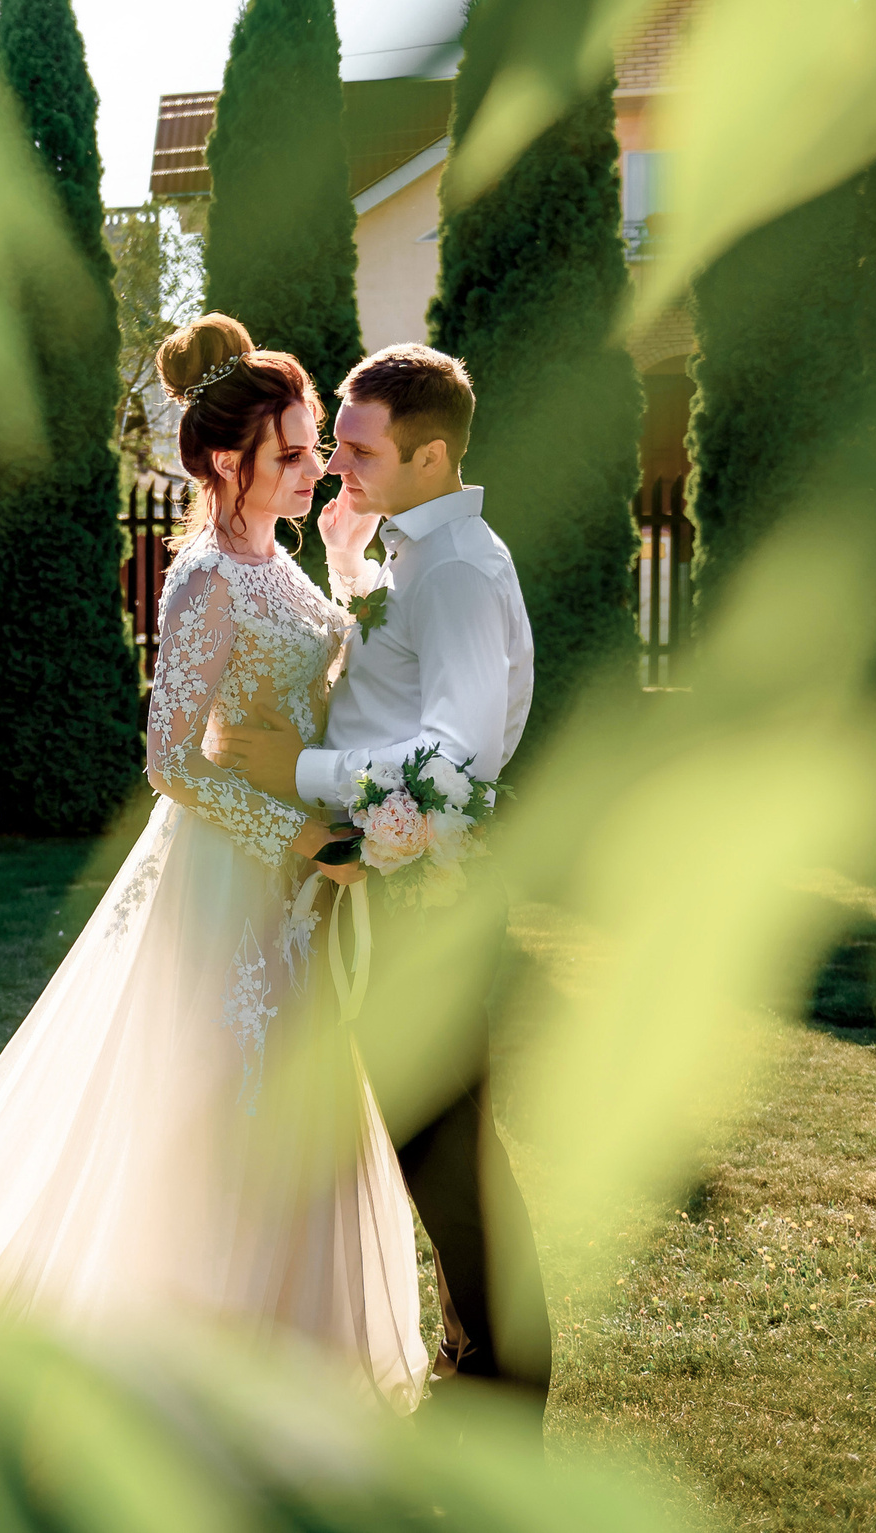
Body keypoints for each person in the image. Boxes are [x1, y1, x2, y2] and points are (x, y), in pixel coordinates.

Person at [0, 315, 427, 1412]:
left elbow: (312, 666)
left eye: (311, 447)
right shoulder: (206, 580)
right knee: (227, 1114)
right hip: (233, 886)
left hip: (297, 884)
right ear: (224, 461)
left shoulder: (280, 555)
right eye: (291, 452)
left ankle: (285, 1368)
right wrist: (294, 837)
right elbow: (167, 759)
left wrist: (347, 565)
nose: (313, 467)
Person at [211, 342, 553, 1428]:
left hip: (425, 908)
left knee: (449, 1167)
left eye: (357, 450)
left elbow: (449, 767)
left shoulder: (452, 571)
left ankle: (496, 1397)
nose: (336, 469)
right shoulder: (421, 552)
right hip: (402, 890)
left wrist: (295, 772)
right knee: (437, 1158)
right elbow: (405, 705)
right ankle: (479, 1379)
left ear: (431, 452)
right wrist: (351, 566)